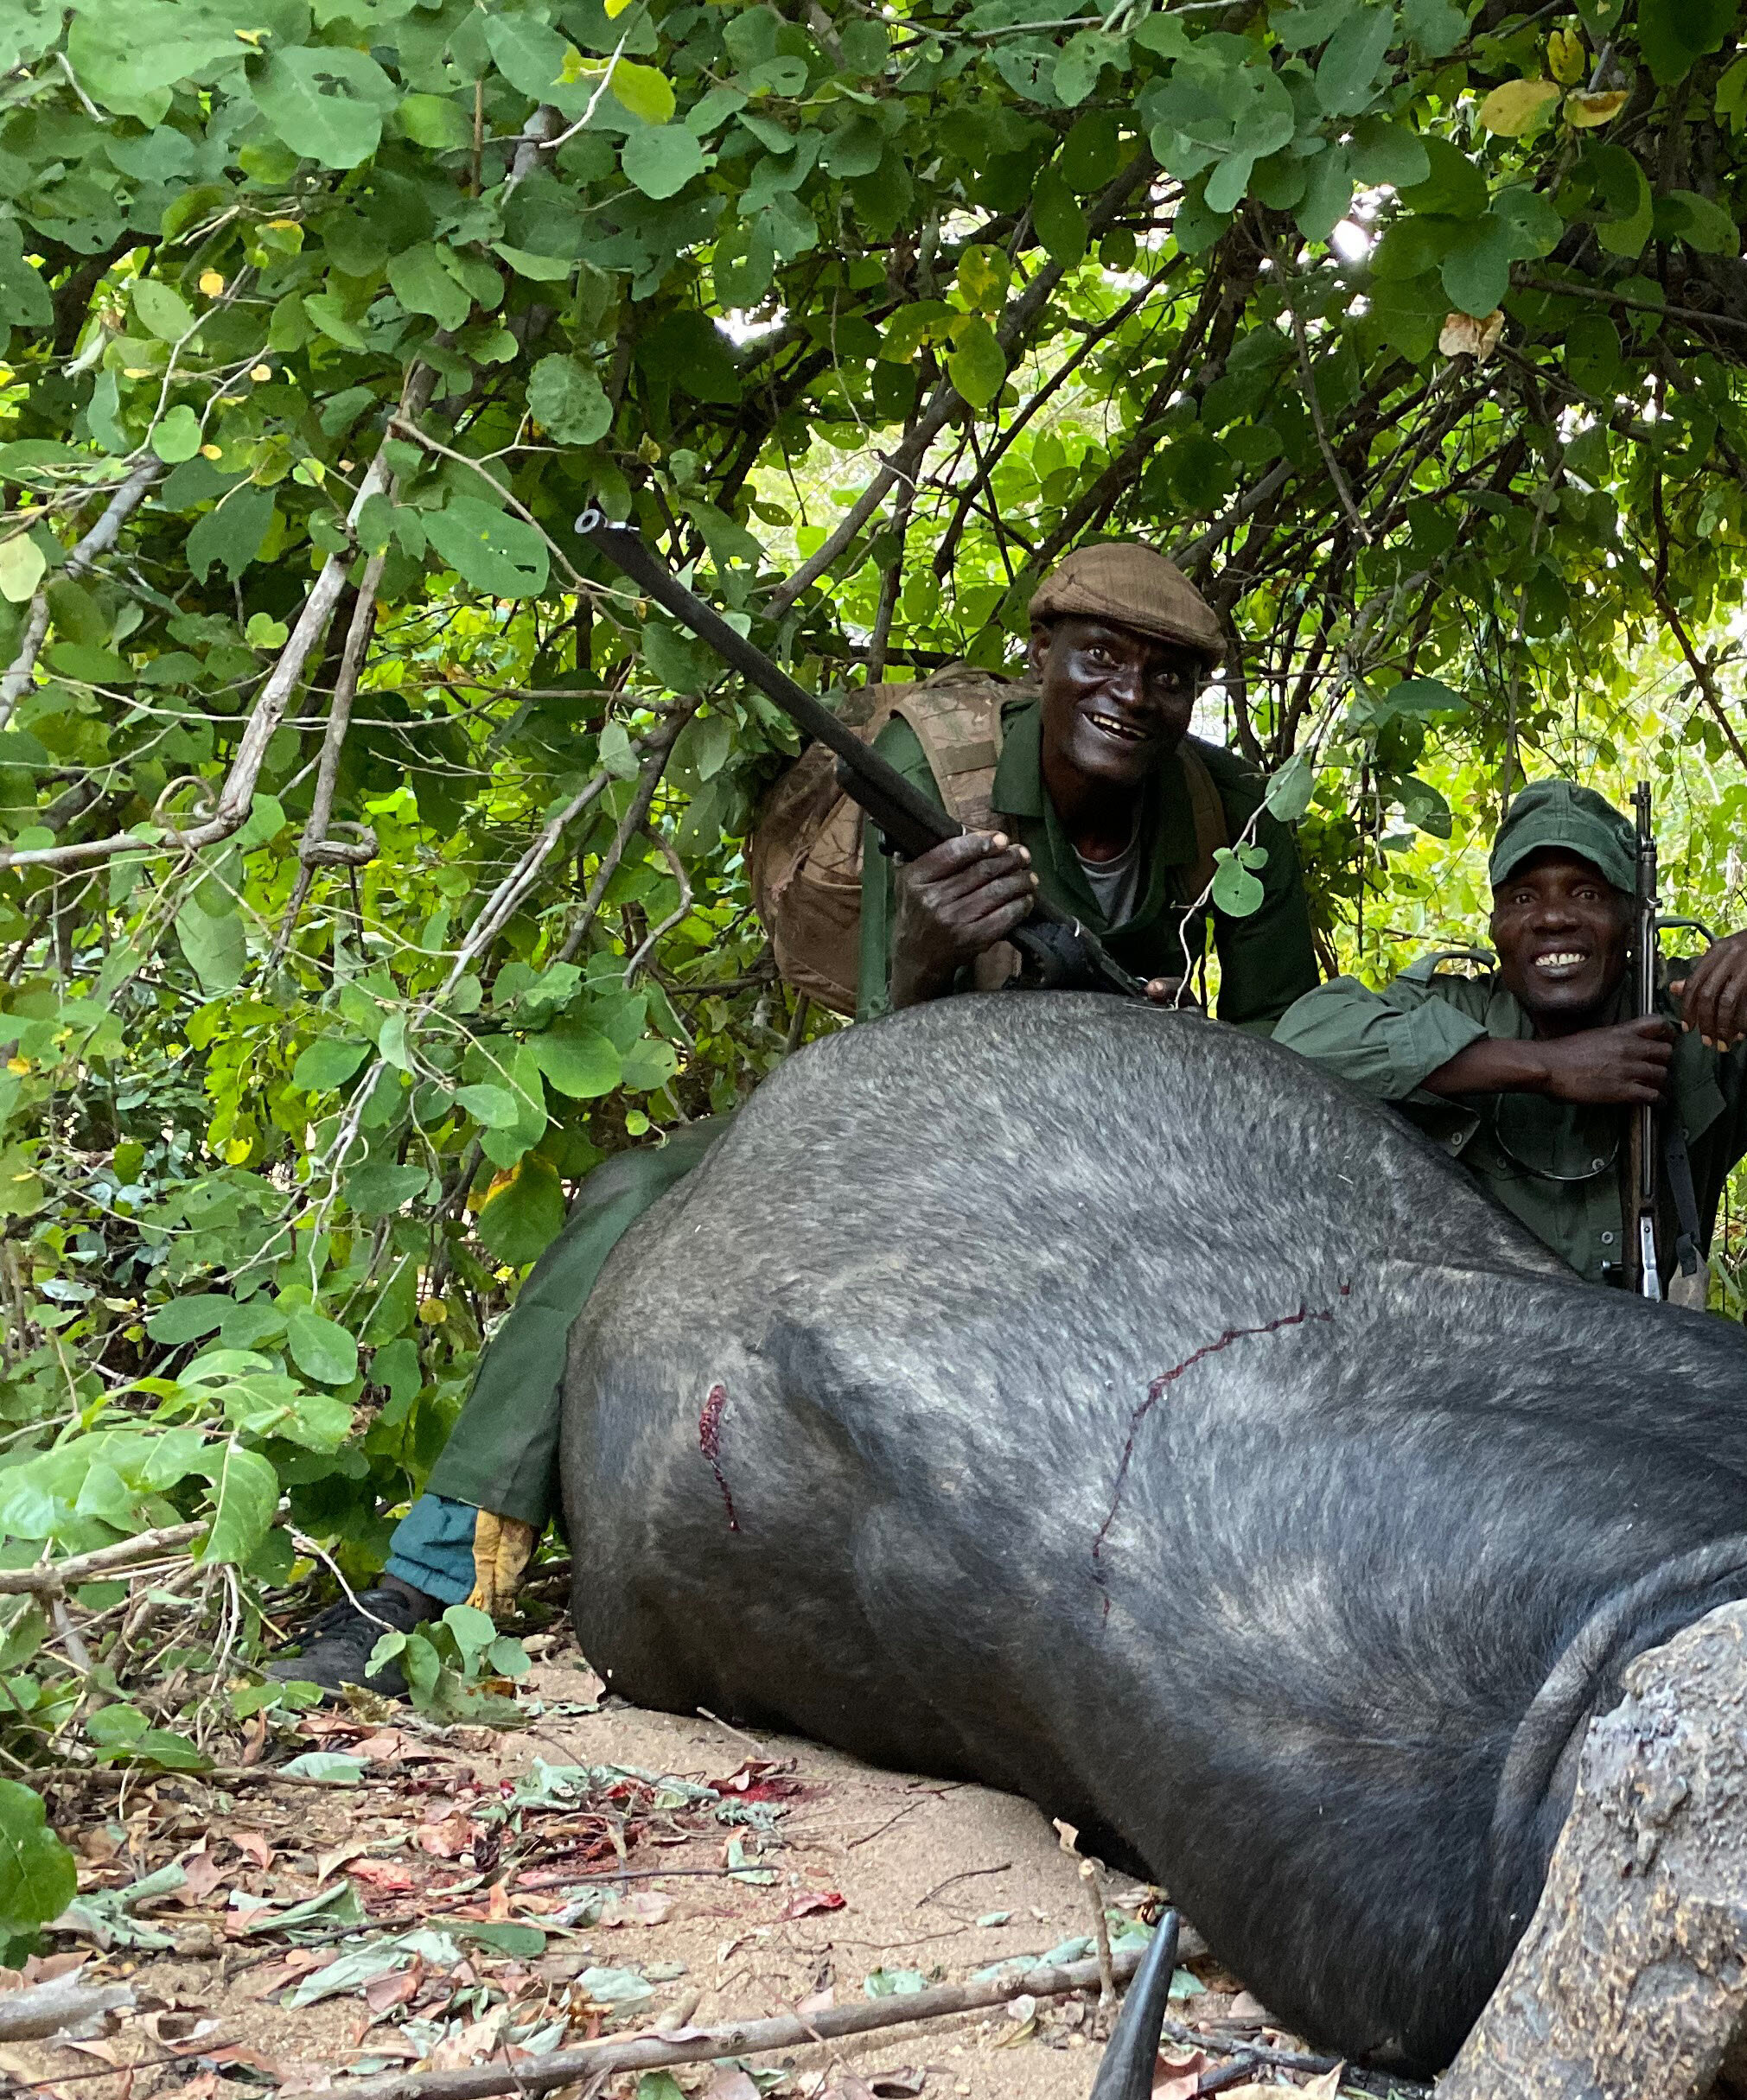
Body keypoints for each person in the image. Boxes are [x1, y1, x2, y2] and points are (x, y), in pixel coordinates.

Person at [272, 540, 1317, 1688]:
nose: (1130, 695)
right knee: (636, 1190)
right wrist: (930, 943)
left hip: (1135, 1140)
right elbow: (876, 1047)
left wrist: (1173, 1044)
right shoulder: (938, 766)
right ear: (1041, 656)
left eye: (1166, 677)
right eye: (1101, 659)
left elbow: (1292, 1047)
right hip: (932, 1100)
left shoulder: (1235, 809)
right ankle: (438, 1570)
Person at [1272, 780, 1747, 1289]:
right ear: (1496, 927)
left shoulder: (1699, 1020)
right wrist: (1541, 1066)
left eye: (1587, 893)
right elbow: (1299, 1042)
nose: (1553, 917)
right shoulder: (1458, 1009)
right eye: (1522, 897)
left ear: (1634, 922)